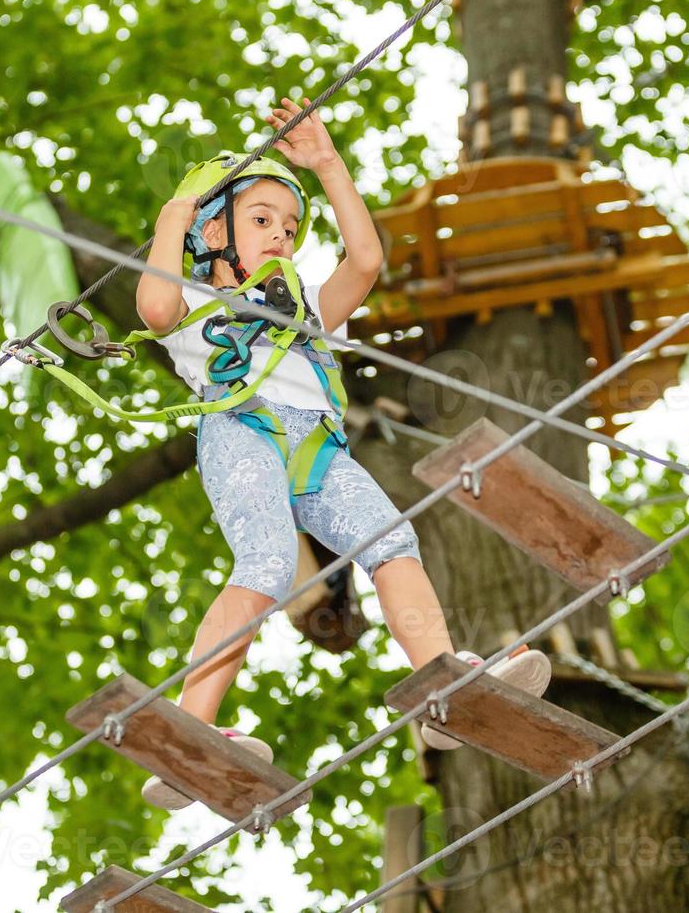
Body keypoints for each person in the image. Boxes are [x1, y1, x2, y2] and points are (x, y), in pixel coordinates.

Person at [132, 97, 552, 810]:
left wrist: (328, 166)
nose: (282, 237)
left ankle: (441, 680)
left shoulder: (306, 310)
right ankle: (188, 731)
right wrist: (176, 214)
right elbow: (153, 311)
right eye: (261, 221)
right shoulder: (192, 301)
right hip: (243, 431)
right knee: (265, 563)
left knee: (394, 541)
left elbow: (366, 259)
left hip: (319, 450)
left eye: (290, 228)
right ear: (211, 233)